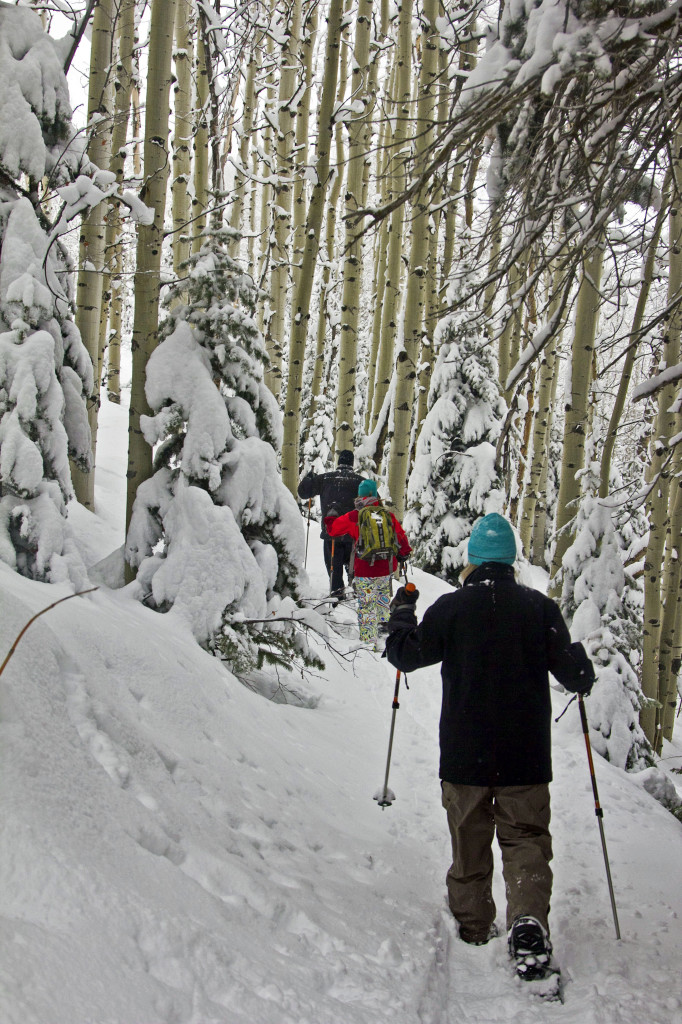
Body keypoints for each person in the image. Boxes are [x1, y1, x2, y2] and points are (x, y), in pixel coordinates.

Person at [384, 512, 595, 982]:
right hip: (525, 755)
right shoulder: (539, 609)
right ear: (511, 561)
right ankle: (526, 920)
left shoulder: (451, 608)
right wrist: (579, 662)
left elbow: (405, 654)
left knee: (469, 839)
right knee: (526, 840)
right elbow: (575, 675)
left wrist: (400, 617)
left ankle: (475, 924)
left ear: (473, 561)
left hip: (465, 754)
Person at [325, 479, 411, 650]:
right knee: (382, 599)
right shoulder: (387, 515)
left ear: (360, 496)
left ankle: (368, 639)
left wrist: (330, 517)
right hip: (386, 567)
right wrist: (403, 554)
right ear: (375, 495)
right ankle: (383, 632)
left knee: (366, 604)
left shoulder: (355, 515)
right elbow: (401, 538)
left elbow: (333, 530)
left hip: (364, 568)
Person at [298, 450, 364, 597]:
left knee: (333, 566)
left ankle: (337, 592)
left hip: (331, 532)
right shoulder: (360, 482)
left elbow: (303, 493)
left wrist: (309, 478)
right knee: (352, 564)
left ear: (338, 462)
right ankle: (354, 590)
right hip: (353, 534)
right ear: (351, 464)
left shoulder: (325, 479)